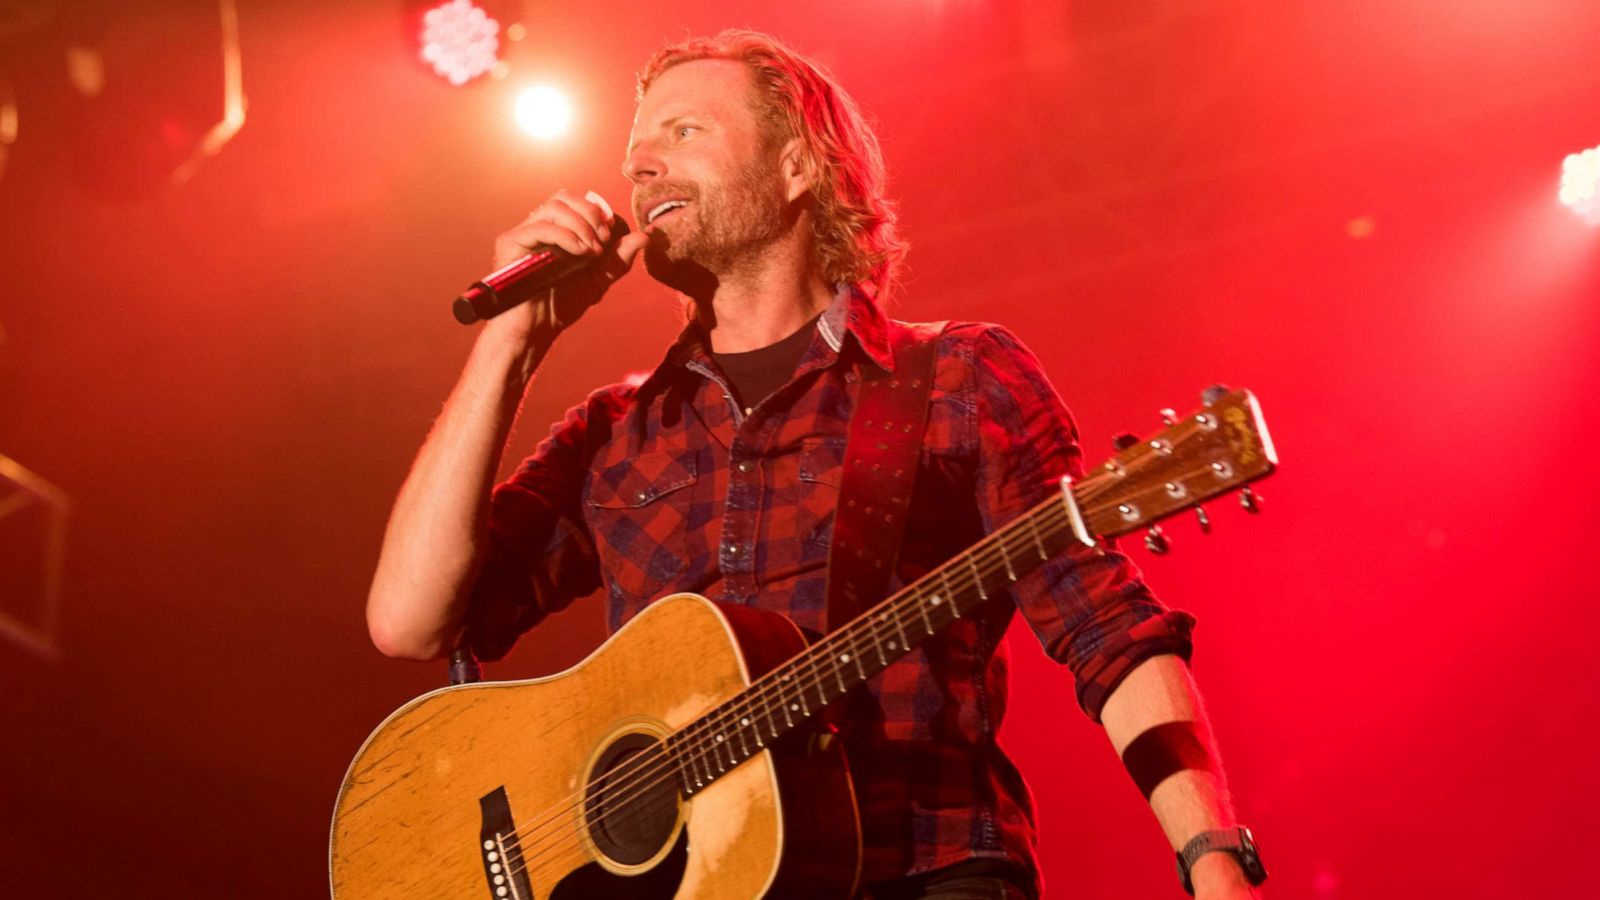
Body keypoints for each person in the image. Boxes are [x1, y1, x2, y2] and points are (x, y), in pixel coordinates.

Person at [366, 29, 1265, 900]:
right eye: (636, 151)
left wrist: (1212, 858)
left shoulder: (955, 377)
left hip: (917, 869)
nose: (640, 169)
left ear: (798, 166)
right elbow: (409, 621)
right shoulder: (616, 430)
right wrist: (510, 341)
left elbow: (1106, 629)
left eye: (684, 133)